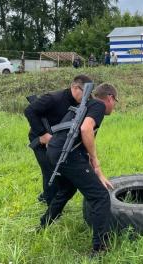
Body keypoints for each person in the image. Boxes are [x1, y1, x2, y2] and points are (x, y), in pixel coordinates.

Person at [40, 83, 118, 257]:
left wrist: (96, 171)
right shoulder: (98, 104)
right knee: (100, 197)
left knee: (67, 189)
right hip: (67, 154)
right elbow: (85, 128)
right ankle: (100, 249)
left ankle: (43, 225)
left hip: (54, 151)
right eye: (115, 102)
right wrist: (95, 162)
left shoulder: (83, 105)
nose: (114, 106)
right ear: (110, 98)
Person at [24, 75, 93, 205]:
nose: (87, 96)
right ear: (75, 87)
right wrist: (42, 133)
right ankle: (50, 205)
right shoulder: (53, 98)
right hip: (40, 139)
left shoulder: (81, 102)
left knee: (61, 169)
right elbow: (29, 111)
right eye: (85, 92)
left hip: (57, 140)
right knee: (50, 170)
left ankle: (47, 195)